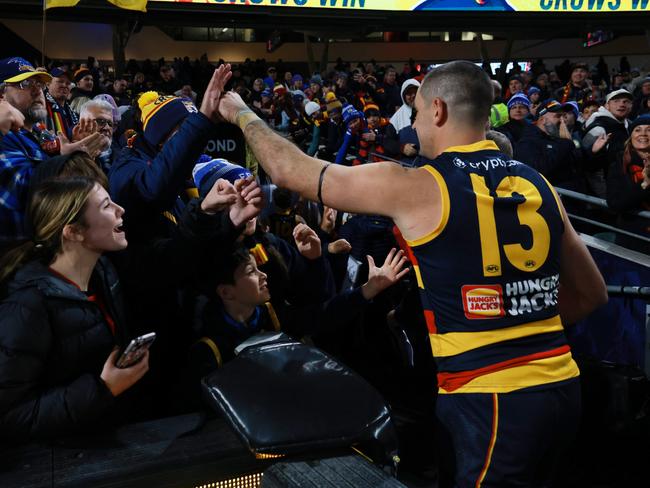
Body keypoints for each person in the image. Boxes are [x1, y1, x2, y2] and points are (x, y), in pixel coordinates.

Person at [217, 60, 608, 487]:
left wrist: (240, 112)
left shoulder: (420, 184)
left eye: (418, 112)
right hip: (564, 384)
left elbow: (290, 170)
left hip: (490, 396)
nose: (415, 124)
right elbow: (591, 294)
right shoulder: (538, 182)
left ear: (437, 109)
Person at [0, 177, 148, 439]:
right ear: (74, 232)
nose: (120, 209)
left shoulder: (103, 270)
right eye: (106, 206)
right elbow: (10, 415)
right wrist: (102, 389)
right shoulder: (28, 306)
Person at [0, 57, 106, 248]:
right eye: (26, 84)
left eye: (40, 84)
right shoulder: (4, 136)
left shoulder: (43, 133)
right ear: (1, 95)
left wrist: (81, 150)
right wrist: (69, 161)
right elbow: (29, 192)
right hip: (19, 257)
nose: (38, 90)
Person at [606, 115, 650, 212]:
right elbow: (615, 203)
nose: (643, 134)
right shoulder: (619, 164)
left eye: (649, 130)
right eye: (637, 130)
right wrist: (645, 184)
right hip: (635, 224)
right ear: (631, 137)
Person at [44, 67, 79, 140]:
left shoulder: (72, 112)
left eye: (68, 83)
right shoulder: (41, 107)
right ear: (48, 84)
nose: (64, 85)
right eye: (60, 81)